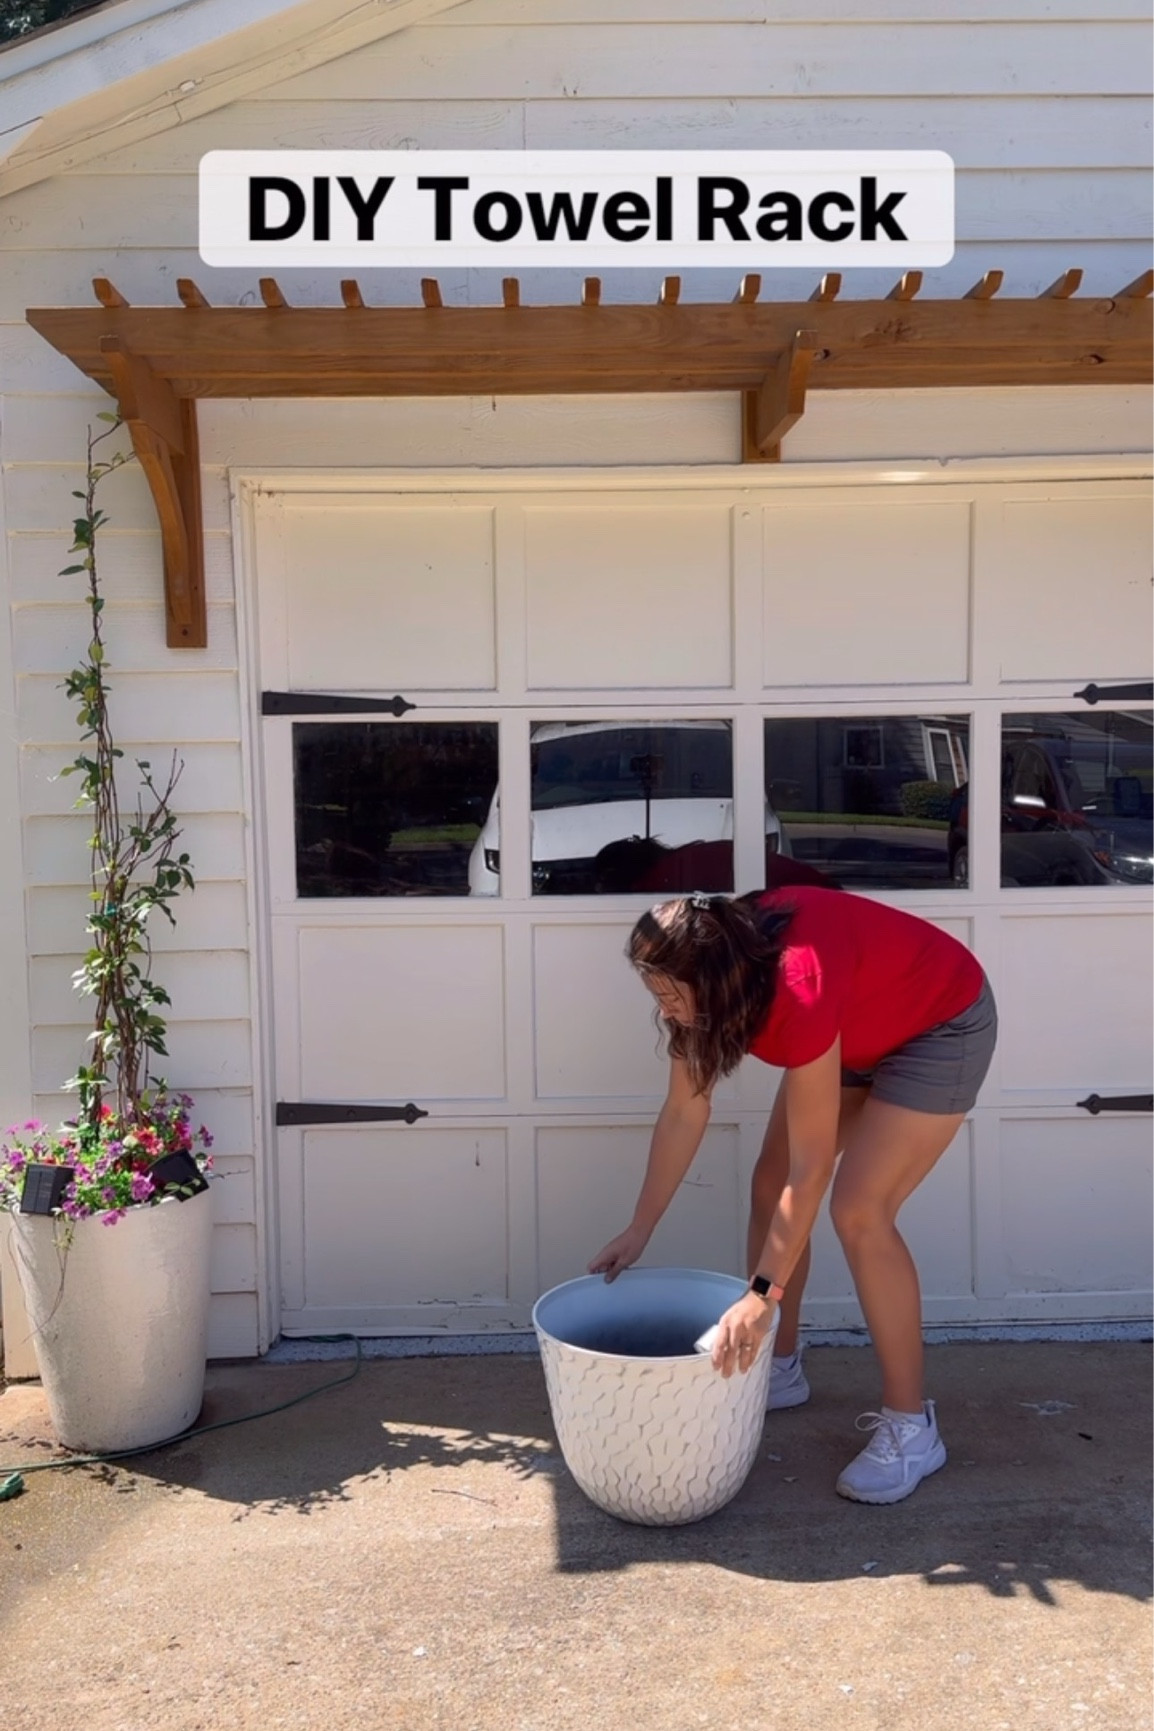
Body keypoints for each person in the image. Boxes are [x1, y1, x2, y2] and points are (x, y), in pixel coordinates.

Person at [588, 885, 997, 1506]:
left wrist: (759, 1295)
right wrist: (639, 1227)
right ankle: (777, 1366)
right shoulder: (706, 987)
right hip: (854, 1021)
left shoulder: (797, 990)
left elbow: (810, 1172)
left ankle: (912, 1427)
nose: (666, 1011)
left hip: (936, 1021)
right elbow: (683, 1112)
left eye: (671, 996)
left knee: (859, 1210)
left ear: (718, 980)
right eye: (657, 995)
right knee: (767, 1182)